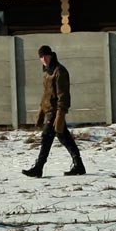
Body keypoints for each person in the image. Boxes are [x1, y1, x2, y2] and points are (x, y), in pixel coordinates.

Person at [22, 45, 86, 178]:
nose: (43, 59)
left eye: (45, 55)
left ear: (51, 55)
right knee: (63, 136)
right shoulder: (47, 72)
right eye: (40, 57)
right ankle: (78, 164)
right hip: (48, 110)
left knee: (46, 136)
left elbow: (63, 94)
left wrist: (60, 113)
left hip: (56, 111)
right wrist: (40, 112)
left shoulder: (59, 71)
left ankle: (38, 167)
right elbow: (46, 94)